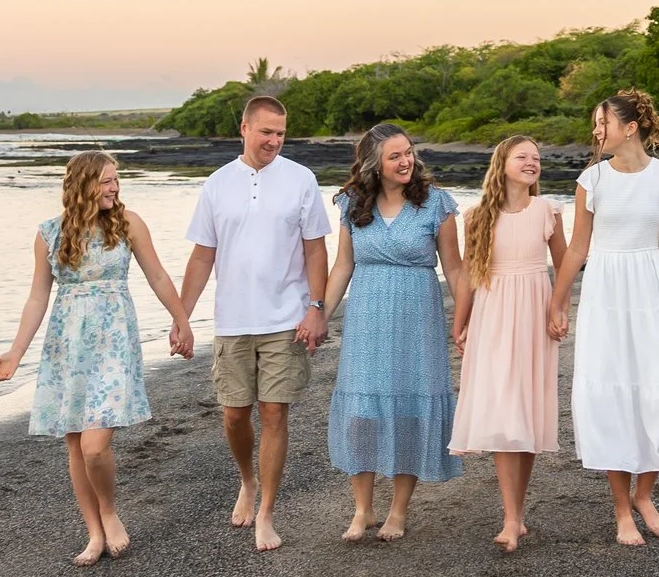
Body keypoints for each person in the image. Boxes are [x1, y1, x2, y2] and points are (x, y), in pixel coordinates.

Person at [0, 151, 195, 565]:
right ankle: (93, 532)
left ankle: (110, 513)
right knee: (76, 445)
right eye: (105, 181)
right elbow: (37, 297)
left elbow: (157, 275)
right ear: (82, 185)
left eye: (116, 180)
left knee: (96, 445)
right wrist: (15, 353)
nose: (114, 187)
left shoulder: (129, 223)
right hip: (68, 344)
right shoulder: (50, 233)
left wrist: (181, 319)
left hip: (114, 339)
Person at [548, 90, 659, 547]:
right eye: (595, 123)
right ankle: (619, 508)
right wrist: (557, 301)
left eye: (601, 122)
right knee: (613, 397)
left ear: (629, 127)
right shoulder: (592, 180)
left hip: (653, 290)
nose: (595, 130)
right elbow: (577, 248)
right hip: (606, 294)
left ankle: (645, 494)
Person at [176, 93, 330, 552]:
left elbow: (316, 249)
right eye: (266, 132)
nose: (275, 141)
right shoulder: (217, 184)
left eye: (281, 133)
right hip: (233, 319)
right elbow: (203, 256)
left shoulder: (302, 179)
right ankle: (247, 479)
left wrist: (316, 307)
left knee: (274, 412)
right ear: (243, 128)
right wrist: (181, 317)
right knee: (233, 415)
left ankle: (267, 512)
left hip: (286, 318)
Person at [321, 122, 461, 540]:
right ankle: (362, 510)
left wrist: (467, 318)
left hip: (417, 314)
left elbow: (455, 267)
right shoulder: (352, 204)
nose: (406, 161)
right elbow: (343, 265)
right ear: (374, 164)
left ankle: (398, 511)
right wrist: (321, 315)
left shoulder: (436, 203)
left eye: (409, 152)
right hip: (366, 315)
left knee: (409, 410)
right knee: (361, 415)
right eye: (395, 156)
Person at [449, 135, 565, 552]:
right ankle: (511, 516)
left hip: (535, 312)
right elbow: (467, 274)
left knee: (527, 411)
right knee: (502, 409)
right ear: (503, 163)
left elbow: (566, 267)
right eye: (523, 157)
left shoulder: (548, 210)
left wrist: (559, 310)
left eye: (537, 157)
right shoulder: (477, 215)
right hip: (494, 313)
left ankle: (518, 512)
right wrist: (459, 322)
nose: (532, 163)